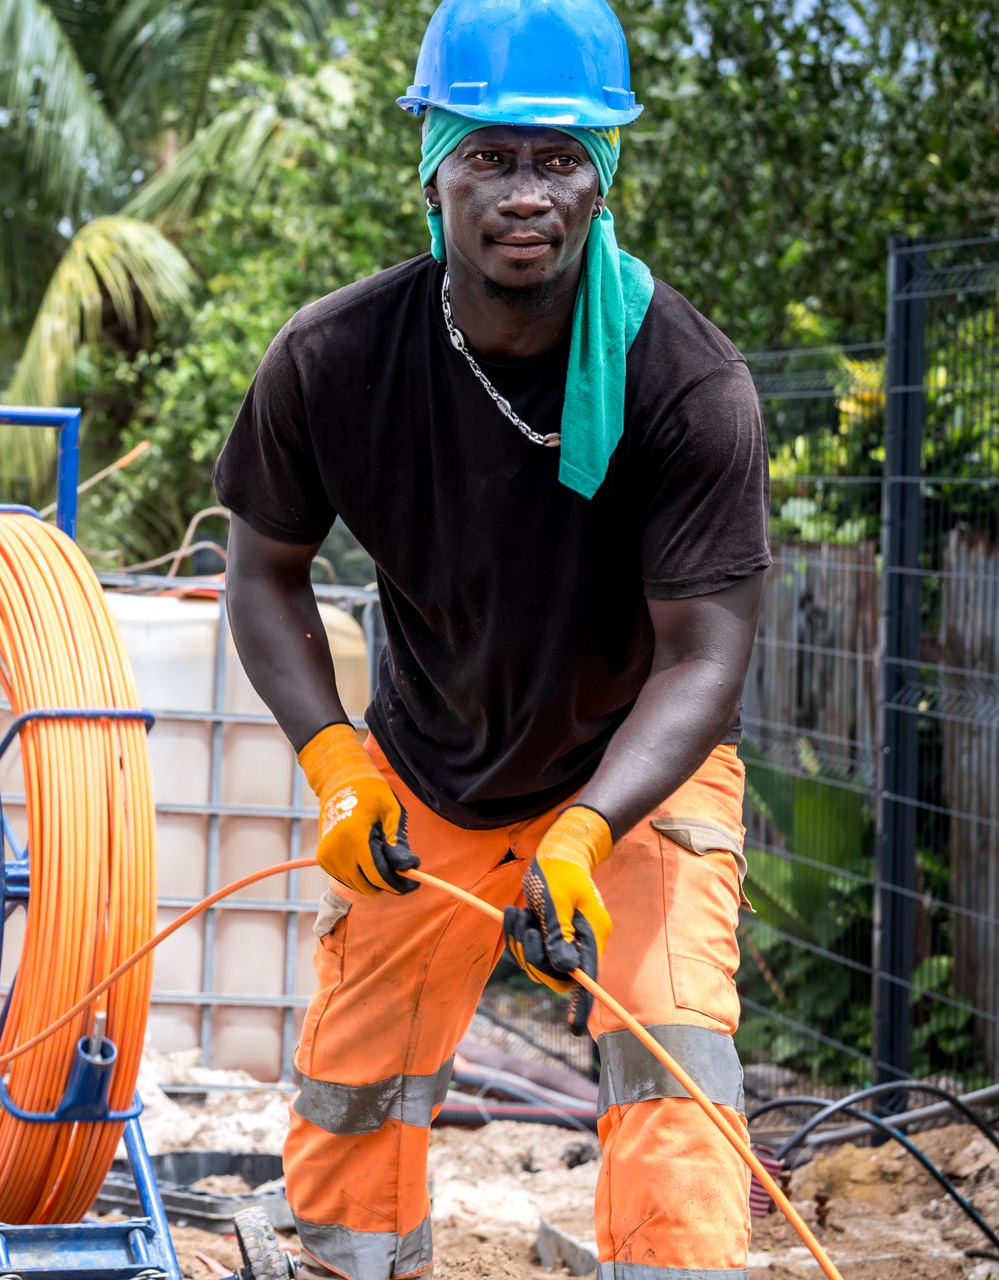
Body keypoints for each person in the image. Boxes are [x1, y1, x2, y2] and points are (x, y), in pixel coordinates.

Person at [213, 0, 771, 1275]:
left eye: (561, 157)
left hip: (640, 773)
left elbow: (704, 657)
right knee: (360, 1074)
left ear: (605, 173)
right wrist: (337, 765)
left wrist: (587, 828)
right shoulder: (334, 358)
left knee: (673, 1058)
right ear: (433, 167)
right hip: (430, 767)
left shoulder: (684, 382)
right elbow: (264, 573)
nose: (528, 191)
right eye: (493, 156)